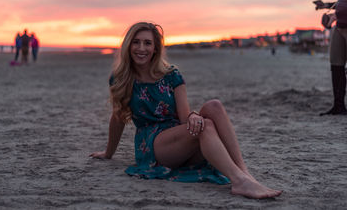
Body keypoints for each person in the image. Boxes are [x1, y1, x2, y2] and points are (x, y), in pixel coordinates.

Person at [90, 22, 282, 199]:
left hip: (180, 138)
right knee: (205, 126)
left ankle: (244, 173)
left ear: (155, 48)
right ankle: (239, 181)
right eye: (136, 43)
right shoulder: (121, 78)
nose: (141, 48)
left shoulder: (171, 75)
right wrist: (108, 153)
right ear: (128, 46)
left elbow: (184, 117)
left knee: (214, 106)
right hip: (153, 145)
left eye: (147, 43)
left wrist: (193, 116)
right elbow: (118, 117)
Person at [314, 0, 347, 115]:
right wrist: (326, 7)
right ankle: (338, 106)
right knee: (336, 65)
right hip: (339, 27)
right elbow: (341, 2)